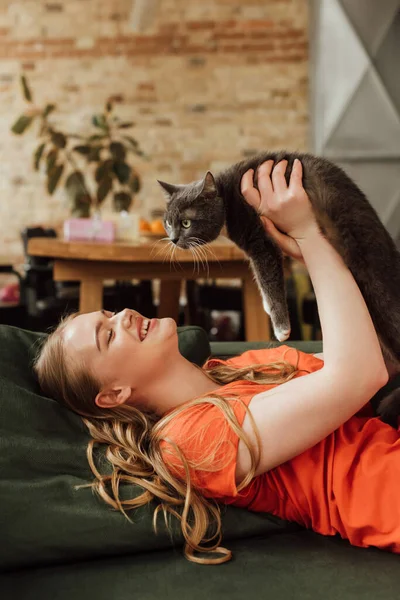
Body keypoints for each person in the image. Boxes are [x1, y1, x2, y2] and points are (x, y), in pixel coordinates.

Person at [33, 159, 393, 567]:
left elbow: (377, 355)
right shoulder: (187, 441)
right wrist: (310, 235)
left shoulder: (240, 368)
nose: (125, 316)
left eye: (110, 314)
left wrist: (311, 250)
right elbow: (360, 374)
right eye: (109, 335)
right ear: (114, 393)